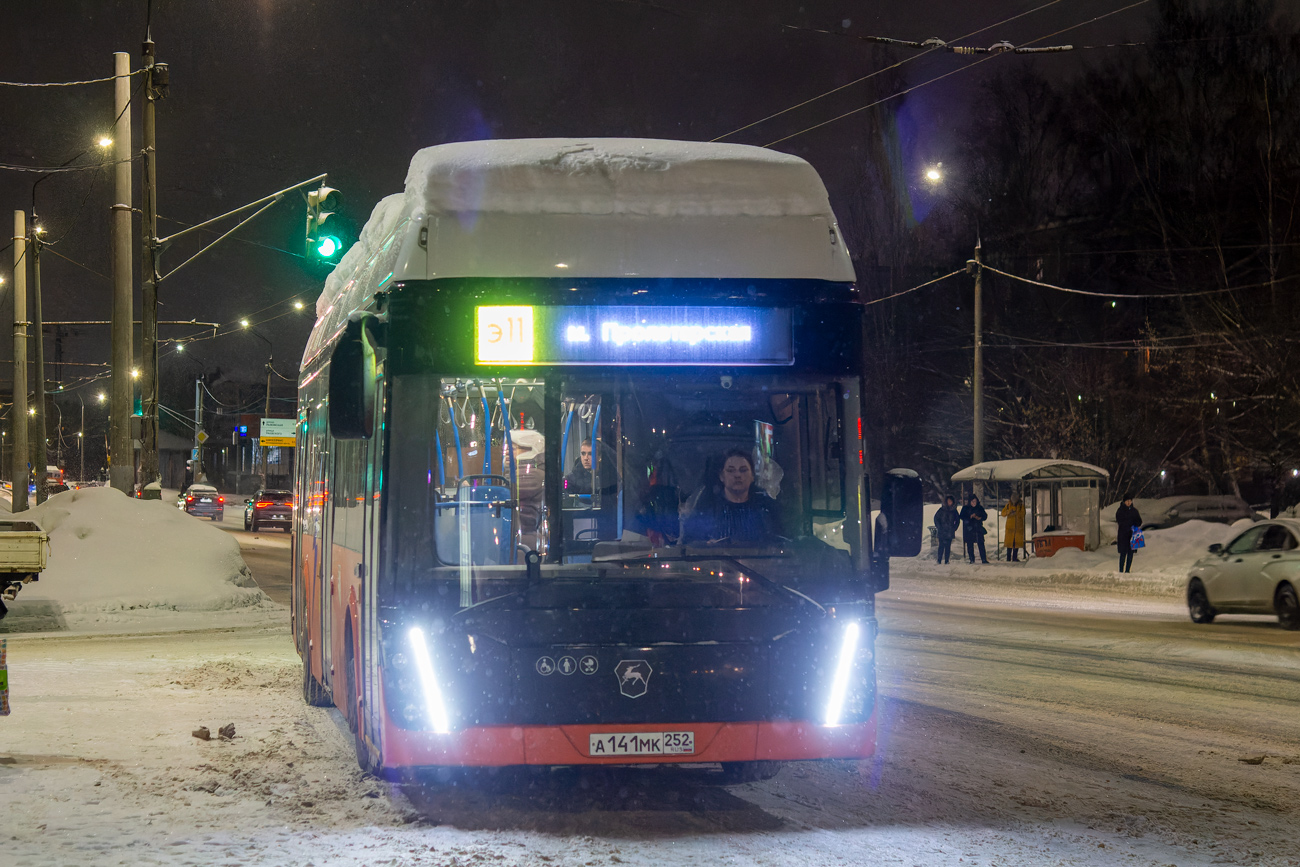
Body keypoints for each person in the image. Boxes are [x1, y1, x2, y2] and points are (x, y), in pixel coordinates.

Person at [681, 447, 783, 546]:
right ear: (722, 476)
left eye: (743, 470)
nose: (737, 475)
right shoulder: (708, 507)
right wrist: (707, 546)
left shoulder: (765, 509)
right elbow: (690, 543)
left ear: (752, 476)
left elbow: (781, 542)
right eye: (731, 470)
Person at [510, 429, 546, 551]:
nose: (508, 453)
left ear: (529, 450)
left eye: (513, 449)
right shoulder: (521, 472)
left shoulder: (530, 474)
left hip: (525, 536)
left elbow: (508, 492)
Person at [1115, 494, 1142, 573]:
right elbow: (1120, 521)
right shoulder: (1120, 510)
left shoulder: (1134, 511)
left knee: (1130, 553)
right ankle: (1121, 570)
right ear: (1124, 502)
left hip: (1132, 534)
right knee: (1123, 553)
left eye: (1130, 501)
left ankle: (1127, 571)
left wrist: (1135, 525)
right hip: (1123, 535)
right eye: (1127, 501)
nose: (1129, 502)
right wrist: (1127, 525)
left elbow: (1139, 521)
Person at [960, 494, 989, 564]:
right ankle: (972, 559)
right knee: (970, 544)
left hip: (978, 528)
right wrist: (969, 517)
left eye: (975, 501)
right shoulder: (965, 508)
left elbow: (985, 516)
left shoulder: (980, 508)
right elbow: (962, 516)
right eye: (972, 501)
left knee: (981, 544)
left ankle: (983, 559)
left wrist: (979, 517)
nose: (974, 503)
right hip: (969, 529)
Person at [933, 495, 960, 564]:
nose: (949, 502)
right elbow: (936, 519)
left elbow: (957, 520)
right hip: (942, 531)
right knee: (941, 546)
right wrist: (939, 527)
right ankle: (939, 560)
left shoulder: (954, 511)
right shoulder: (941, 510)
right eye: (948, 501)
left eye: (950, 501)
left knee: (948, 547)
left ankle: (946, 560)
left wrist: (954, 528)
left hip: (949, 531)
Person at [1000, 492, 1026, 562]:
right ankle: (1008, 558)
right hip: (1010, 528)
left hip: (1018, 529)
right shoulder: (1008, 506)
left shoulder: (1021, 506)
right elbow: (1003, 513)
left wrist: (1016, 513)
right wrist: (1009, 512)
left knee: (1016, 544)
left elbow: (1023, 514)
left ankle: (1014, 558)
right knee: (1009, 545)